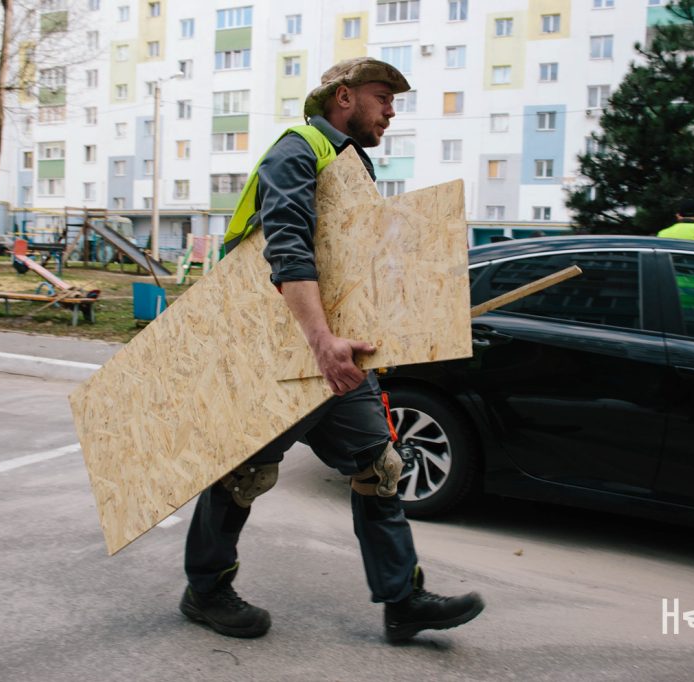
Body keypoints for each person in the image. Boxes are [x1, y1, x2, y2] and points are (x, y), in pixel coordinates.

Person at [180, 57, 485, 644]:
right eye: (383, 96)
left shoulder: (352, 165)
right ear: (343, 98)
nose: (392, 109)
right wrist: (321, 341)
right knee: (243, 474)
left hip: (336, 351)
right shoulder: (297, 151)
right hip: (277, 348)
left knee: (380, 469)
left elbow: (351, 265)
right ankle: (206, 589)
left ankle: (404, 601)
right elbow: (287, 250)